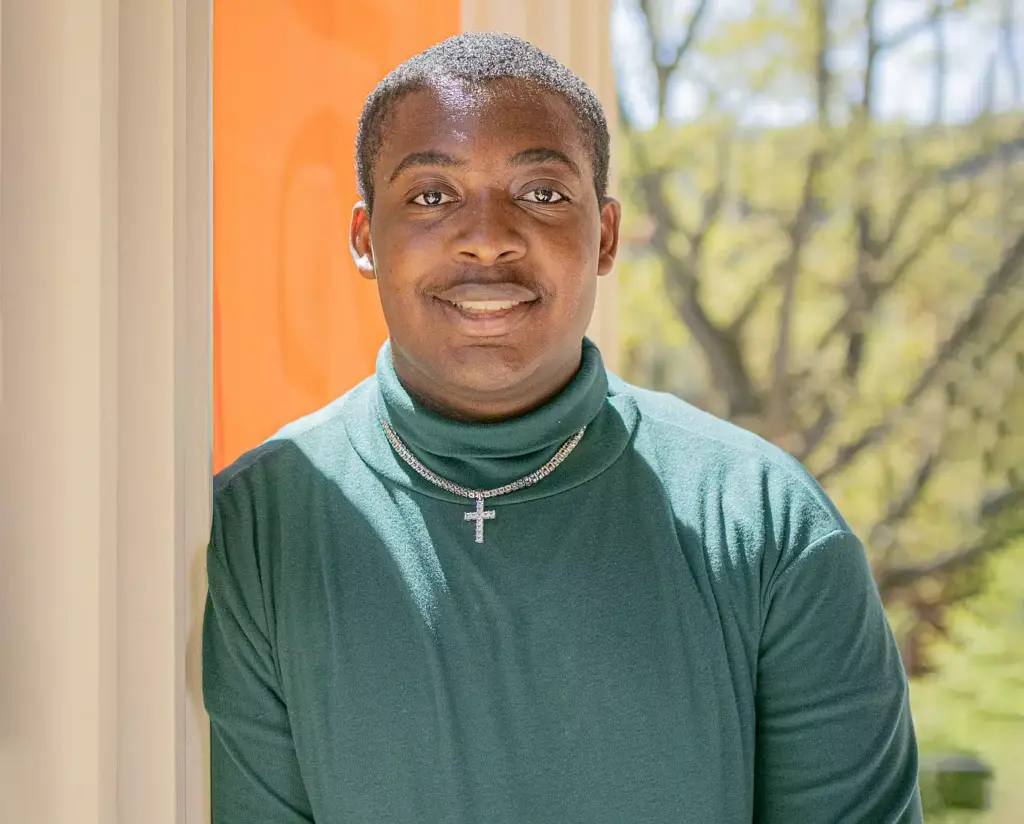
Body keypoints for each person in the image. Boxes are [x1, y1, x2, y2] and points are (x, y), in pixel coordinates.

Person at [202, 32, 923, 824]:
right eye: (432, 195)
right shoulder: (255, 528)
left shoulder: (765, 522)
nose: (487, 235)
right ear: (366, 239)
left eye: (542, 192)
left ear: (605, 236)